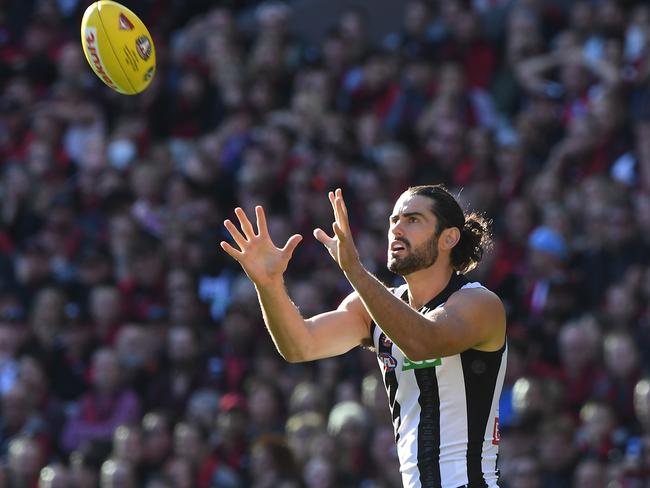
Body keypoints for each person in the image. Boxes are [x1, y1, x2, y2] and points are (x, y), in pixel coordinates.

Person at [221, 185, 507, 488]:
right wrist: (269, 285)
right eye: (393, 220)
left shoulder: (480, 303)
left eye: (413, 220)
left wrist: (354, 270)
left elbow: (424, 343)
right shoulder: (371, 307)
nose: (396, 228)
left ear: (449, 237)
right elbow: (299, 345)